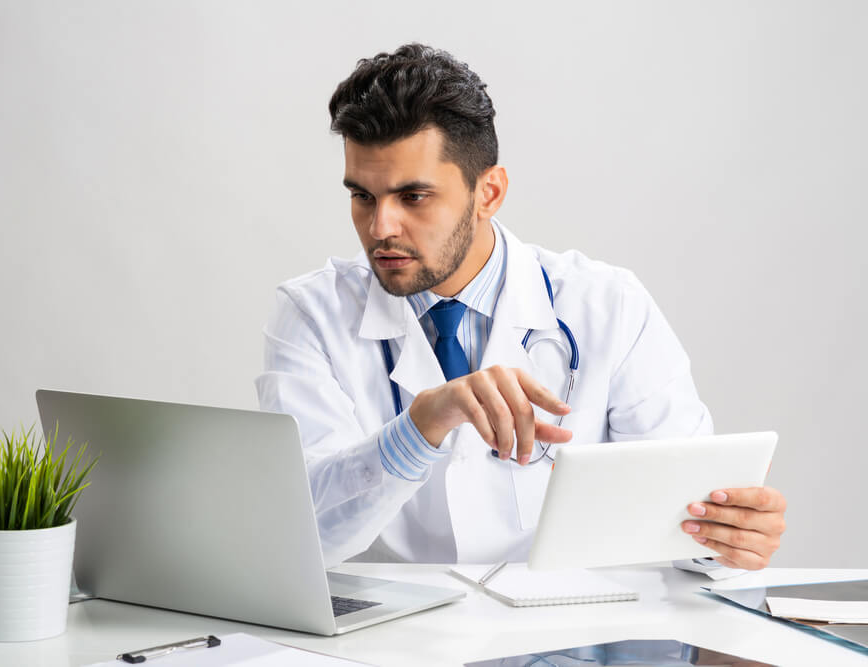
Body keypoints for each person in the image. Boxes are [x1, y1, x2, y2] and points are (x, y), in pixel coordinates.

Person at [256, 43, 786, 571]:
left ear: (488, 192)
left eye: (413, 197)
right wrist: (420, 427)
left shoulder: (608, 306)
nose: (380, 228)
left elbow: (682, 519)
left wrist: (725, 539)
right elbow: (303, 536)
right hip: (386, 643)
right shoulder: (312, 314)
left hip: (563, 637)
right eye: (363, 196)